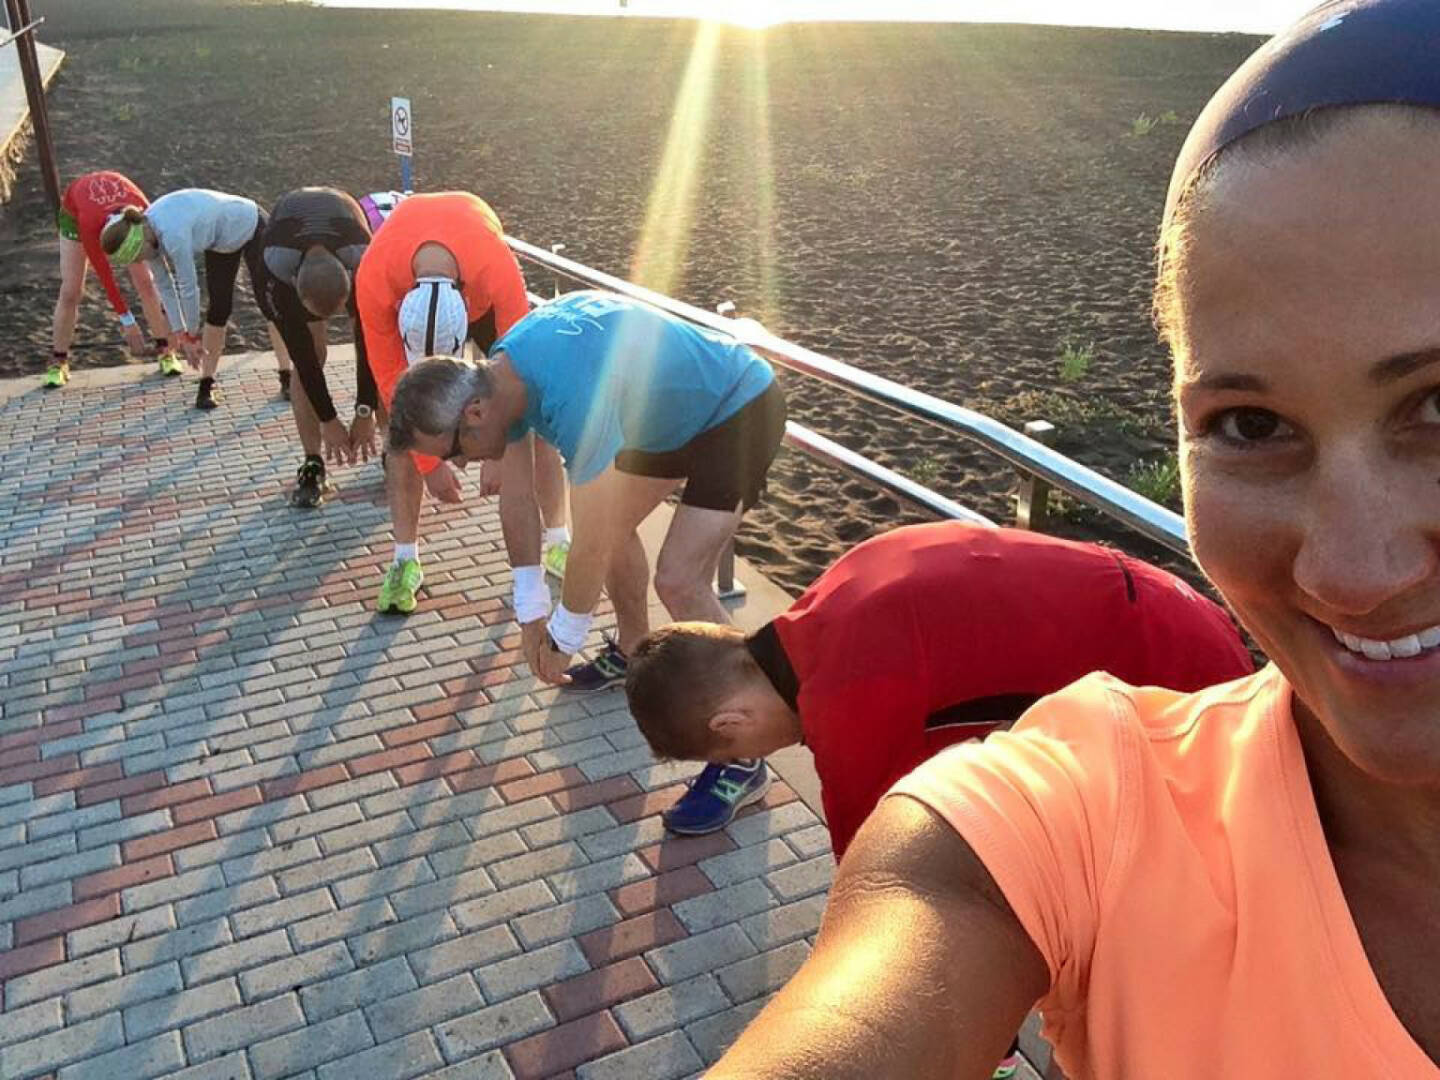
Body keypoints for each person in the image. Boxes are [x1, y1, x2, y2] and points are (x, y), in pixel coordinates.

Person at [709, 2, 1440, 1077]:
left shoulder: (846, 676)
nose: (1351, 572)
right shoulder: (1091, 804)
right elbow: (932, 884)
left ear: (731, 714)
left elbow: (854, 812)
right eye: (1248, 425)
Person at [628, 522, 1254, 1080]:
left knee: (1165, 936)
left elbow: (891, 899)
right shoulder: (828, 607)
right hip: (1173, 606)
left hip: (1181, 678)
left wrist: (977, 1038)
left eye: (731, 755)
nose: (745, 760)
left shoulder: (849, 700)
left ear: (729, 724)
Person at [387, 287, 786, 711]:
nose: (463, 466)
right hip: (666, 416)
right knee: (612, 532)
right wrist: (530, 613)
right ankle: (633, 652)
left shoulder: (572, 396)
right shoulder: (500, 376)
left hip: (736, 405)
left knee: (677, 579)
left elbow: (589, 542)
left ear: (475, 414)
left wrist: (565, 636)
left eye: (453, 453)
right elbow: (519, 500)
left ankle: (761, 715)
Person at [355, 191, 570, 615]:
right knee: (401, 435)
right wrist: (429, 465)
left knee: (539, 420)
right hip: (410, 275)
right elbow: (394, 393)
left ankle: (560, 539)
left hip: (487, 300)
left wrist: (499, 449)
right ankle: (404, 560)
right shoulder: (373, 280)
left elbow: (524, 374)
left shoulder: (496, 269)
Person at [98, 189, 290, 409]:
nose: (142, 261)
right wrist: (182, 335)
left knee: (269, 305)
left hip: (250, 222)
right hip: (220, 239)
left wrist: (191, 335)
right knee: (218, 309)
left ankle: (287, 377)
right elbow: (165, 287)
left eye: (139, 256)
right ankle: (206, 385)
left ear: (142, 241)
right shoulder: (145, 233)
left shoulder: (172, 234)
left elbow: (188, 288)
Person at [260, 186, 381, 508]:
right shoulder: (274, 268)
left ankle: (390, 450)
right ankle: (312, 462)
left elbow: (368, 348)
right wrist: (329, 421)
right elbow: (306, 363)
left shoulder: (363, 259)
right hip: (289, 228)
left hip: (344, 216)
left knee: (378, 353)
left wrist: (364, 411)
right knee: (312, 356)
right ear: (297, 294)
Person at [45, 170, 179, 388]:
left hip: (124, 217)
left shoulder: (145, 214)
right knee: (71, 291)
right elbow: (105, 275)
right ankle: (58, 361)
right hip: (76, 214)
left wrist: (177, 326)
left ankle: (165, 350)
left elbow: (162, 270)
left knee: (146, 281)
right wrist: (127, 321)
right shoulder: (89, 224)